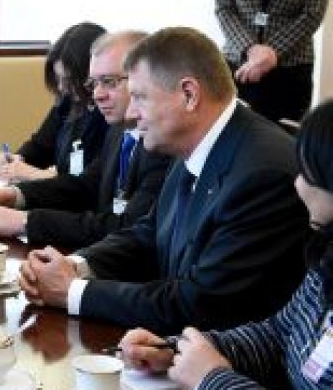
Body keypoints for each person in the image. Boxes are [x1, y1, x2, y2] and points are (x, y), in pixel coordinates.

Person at [18, 27, 309, 334]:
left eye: (140, 97)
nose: (132, 111)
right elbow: (150, 233)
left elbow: (200, 303)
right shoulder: (196, 142)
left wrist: (72, 292)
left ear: (189, 94)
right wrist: (74, 266)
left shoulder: (261, 176)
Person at [120, 100, 333, 390]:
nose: (297, 184)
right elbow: (278, 337)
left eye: (308, 173)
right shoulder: (326, 256)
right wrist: (178, 351)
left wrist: (211, 381)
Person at [0, 31, 172, 249]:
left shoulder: (162, 144)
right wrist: (15, 195)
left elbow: (124, 228)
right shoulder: (119, 130)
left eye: (109, 82)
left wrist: (26, 221)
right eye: (94, 83)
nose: (97, 94)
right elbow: (85, 187)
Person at [0, 22, 109, 182]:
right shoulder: (68, 102)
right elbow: (40, 146)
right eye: (58, 79)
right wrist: (17, 160)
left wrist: (34, 174)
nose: (62, 88)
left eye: (69, 81)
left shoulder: (108, 112)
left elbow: (89, 184)